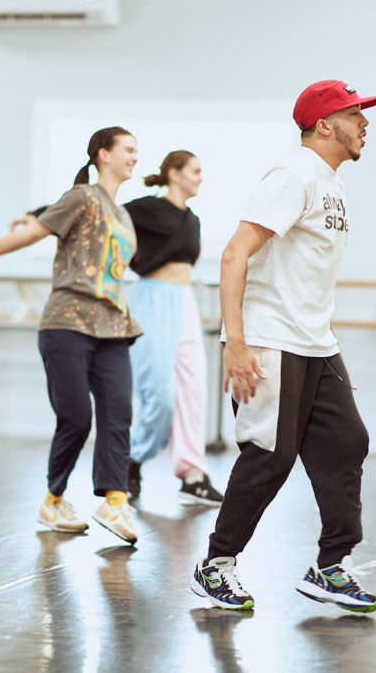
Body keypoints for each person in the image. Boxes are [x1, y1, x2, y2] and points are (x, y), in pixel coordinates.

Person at [190, 80, 376, 613]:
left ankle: (330, 566)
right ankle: (216, 565)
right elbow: (235, 254)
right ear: (324, 124)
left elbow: (307, 276)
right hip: (271, 340)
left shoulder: (331, 183)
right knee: (269, 458)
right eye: (355, 113)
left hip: (315, 345)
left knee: (348, 441)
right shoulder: (293, 175)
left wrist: (328, 349)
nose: (365, 123)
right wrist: (236, 344)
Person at [0, 126, 142, 544]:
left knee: (118, 413)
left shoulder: (124, 215)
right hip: (67, 322)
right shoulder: (82, 197)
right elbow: (33, 233)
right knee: (76, 417)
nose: (134, 157)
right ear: (102, 154)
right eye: (128, 149)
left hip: (112, 326)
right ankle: (53, 501)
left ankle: (114, 502)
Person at [121, 151, 224, 506]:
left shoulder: (192, 220)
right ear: (175, 174)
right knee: (159, 394)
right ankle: (133, 458)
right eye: (195, 171)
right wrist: (41, 216)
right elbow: (103, 214)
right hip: (151, 300)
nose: (200, 177)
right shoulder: (148, 207)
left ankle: (193, 473)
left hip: (184, 301)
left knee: (192, 390)